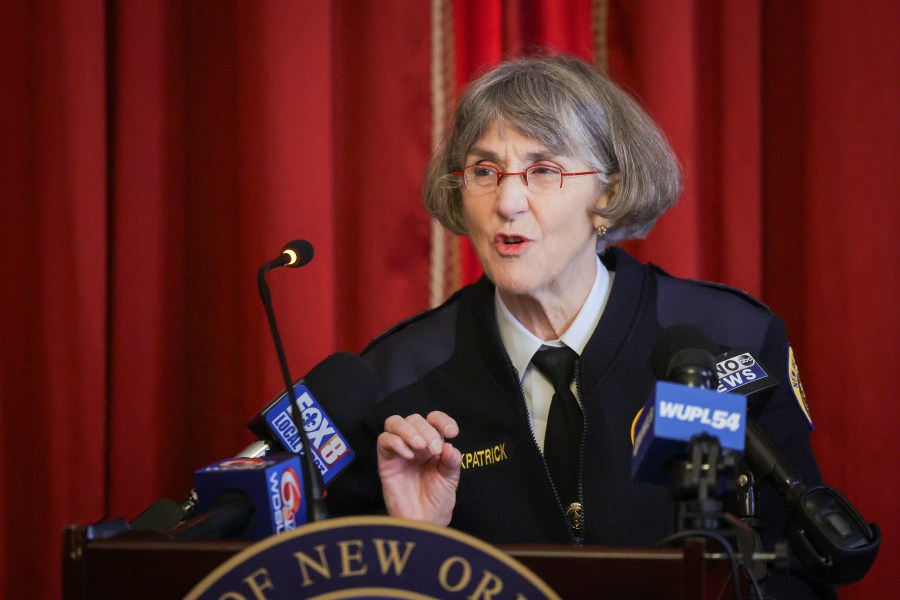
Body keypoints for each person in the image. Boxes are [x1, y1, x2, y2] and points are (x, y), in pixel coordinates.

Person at [330, 54, 831, 598]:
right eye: (484, 171)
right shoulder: (396, 378)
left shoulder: (733, 339)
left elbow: (806, 571)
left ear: (608, 196)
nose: (507, 201)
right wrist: (414, 547)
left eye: (543, 171)